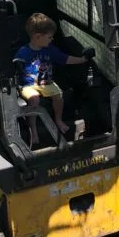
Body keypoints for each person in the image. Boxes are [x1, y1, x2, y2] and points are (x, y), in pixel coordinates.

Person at [15, 12, 91, 145]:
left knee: (58, 94)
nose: (52, 39)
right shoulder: (23, 53)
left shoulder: (50, 50)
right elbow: (14, 67)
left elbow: (64, 59)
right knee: (34, 99)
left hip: (46, 83)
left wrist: (81, 60)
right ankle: (32, 128)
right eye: (49, 37)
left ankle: (58, 120)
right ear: (38, 37)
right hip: (28, 85)